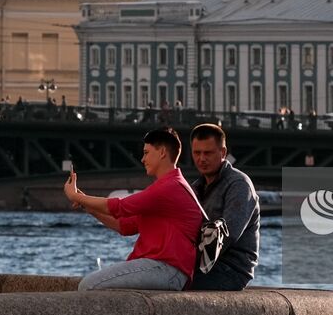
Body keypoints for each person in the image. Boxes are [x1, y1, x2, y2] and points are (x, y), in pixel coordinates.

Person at [65, 127, 201, 291]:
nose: (142, 159)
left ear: (162, 152)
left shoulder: (169, 187)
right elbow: (124, 226)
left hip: (167, 269)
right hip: (166, 270)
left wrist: (75, 196)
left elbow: (119, 207)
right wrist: (86, 204)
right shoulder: (169, 186)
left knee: (89, 285)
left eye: (146, 152)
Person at [187, 123, 260, 291]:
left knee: (174, 284)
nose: (201, 159)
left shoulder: (239, 184)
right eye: (197, 153)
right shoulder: (196, 187)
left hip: (231, 270)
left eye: (208, 153)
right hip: (204, 266)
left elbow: (228, 234)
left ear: (223, 153)